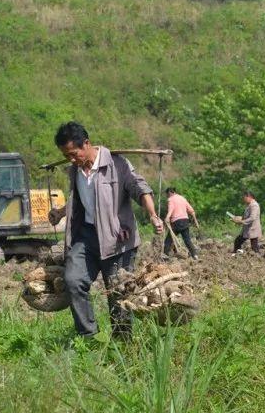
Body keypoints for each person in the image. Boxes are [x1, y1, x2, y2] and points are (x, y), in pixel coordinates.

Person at [46, 121, 163, 339]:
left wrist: (153, 215)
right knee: (73, 281)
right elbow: (80, 200)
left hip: (118, 240)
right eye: (66, 155)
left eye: (73, 154)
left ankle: (123, 343)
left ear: (86, 144)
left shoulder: (117, 164)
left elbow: (141, 189)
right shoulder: (75, 171)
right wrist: (60, 213)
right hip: (86, 236)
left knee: (118, 293)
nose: (71, 160)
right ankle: (89, 336)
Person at [163, 187, 200, 260]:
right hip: (185, 221)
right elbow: (191, 211)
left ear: (170, 192)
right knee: (187, 240)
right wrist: (196, 221)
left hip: (176, 222)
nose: (167, 196)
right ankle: (194, 255)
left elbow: (171, 209)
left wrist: (167, 217)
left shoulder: (171, 199)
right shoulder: (183, 198)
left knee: (168, 240)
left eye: (167, 194)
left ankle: (165, 256)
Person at [231, 191, 262, 255]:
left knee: (254, 246)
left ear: (249, 197)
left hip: (252, 229)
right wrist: (237, 218)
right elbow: (246, 216)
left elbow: (252, 218)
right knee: (238, 241)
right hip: (248, 229)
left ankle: (259, 257)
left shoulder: (254, 205)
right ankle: (237, 253)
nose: (244, 199)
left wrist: (241, 221)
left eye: (244, 198)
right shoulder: (249, 205)